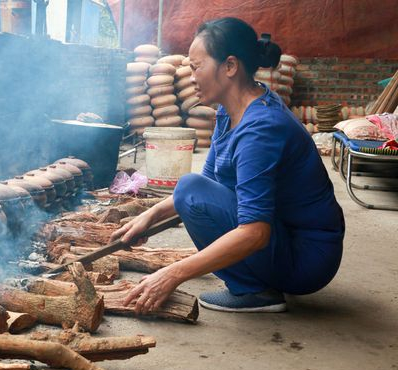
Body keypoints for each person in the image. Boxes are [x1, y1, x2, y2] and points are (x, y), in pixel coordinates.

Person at [111, 17, 345, 313]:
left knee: (189, 190)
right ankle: (258, 283)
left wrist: (173, 274)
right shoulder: (229, 111)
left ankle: (255, 290)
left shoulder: (260, 129)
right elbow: (208, 186)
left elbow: (255, 232)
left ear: (230, 66)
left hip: (307, 257)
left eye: (196, 67)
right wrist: (151, 215)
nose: (191, 76)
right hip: (286, 235)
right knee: (191, 189)